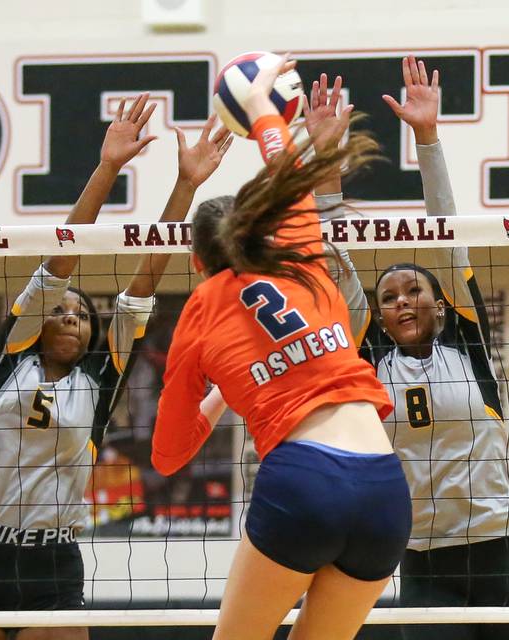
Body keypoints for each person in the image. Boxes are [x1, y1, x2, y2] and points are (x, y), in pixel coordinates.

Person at [0, 94, 233, 640]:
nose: (71, 317)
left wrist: (185, 186)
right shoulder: (10, 364)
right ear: (38, 322)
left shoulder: (98, 381)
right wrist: (108, 167)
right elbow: (57, 263)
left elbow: (144, 280)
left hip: (54, 564)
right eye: (61, 310)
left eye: (83, 314)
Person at [150, 56, 411, 640]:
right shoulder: (299, 251)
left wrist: (218, 396)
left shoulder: (199, 311)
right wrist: (265, 107)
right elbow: (288, 169)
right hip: (384, 489)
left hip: (305, 480)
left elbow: (168, 457)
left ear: (198, 263)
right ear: (264, 232)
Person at [326, 56, 509, 640]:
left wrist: (427, 137)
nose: (401, 301)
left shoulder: (470, 350)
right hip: (424, 554)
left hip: (507, 546)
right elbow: (333, 259)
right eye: (389, 296)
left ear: (442, 304)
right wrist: (326, 164)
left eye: (414, 291)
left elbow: (447, 235)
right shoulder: (371, 359)